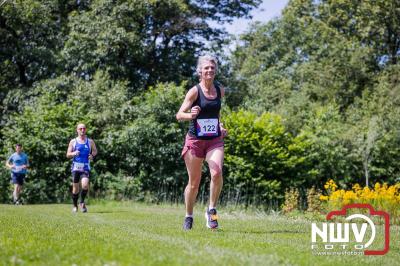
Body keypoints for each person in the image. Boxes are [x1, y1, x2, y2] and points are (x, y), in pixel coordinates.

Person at [176, 55, 227, 230]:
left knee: (217, 173)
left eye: (212, 68)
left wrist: (220, 126)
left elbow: (217, 114)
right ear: (200, 71)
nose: (210, 71)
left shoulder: (220, 90)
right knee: (194, 183)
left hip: (214, 139)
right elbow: (179, 114)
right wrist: (191, 114)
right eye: (206, 68)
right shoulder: (194, 91)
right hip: (195, 141)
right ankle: (188, 216)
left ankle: (211, 210)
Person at [66, 123, 97, 213]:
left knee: (85, 185)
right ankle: (75, 206)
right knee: (75, 189)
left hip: (85, 167)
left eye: (84, 128)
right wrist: (73, 153)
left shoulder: (90, 141)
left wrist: (92, 155)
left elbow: (95, 151)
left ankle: (82, 202)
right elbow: (67, 154)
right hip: (75, 167)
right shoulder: (73, 141)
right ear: (77, 130)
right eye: (80, 129)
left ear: (85, 130)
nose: (82, 130)